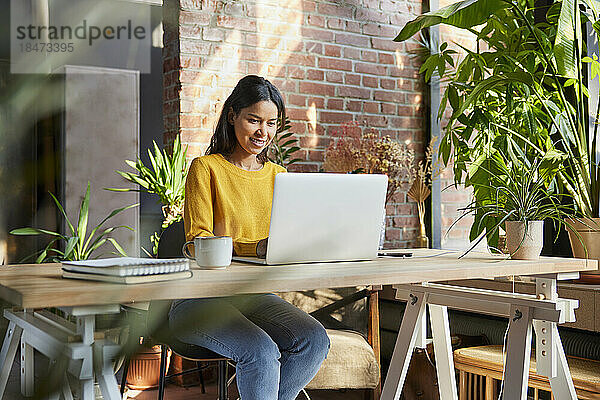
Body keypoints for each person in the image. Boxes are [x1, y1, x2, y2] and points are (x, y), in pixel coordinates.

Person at [168, 75, 330, 399]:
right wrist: (255, 248)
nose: (263, 132)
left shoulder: (279, 176)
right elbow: (197, 240)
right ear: (233, 116)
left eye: (271, 123)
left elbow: (290, 235)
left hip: (253, 296)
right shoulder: (206, 168)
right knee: (260, 351)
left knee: (314, 340)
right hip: (199, 300)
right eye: (254, 120)